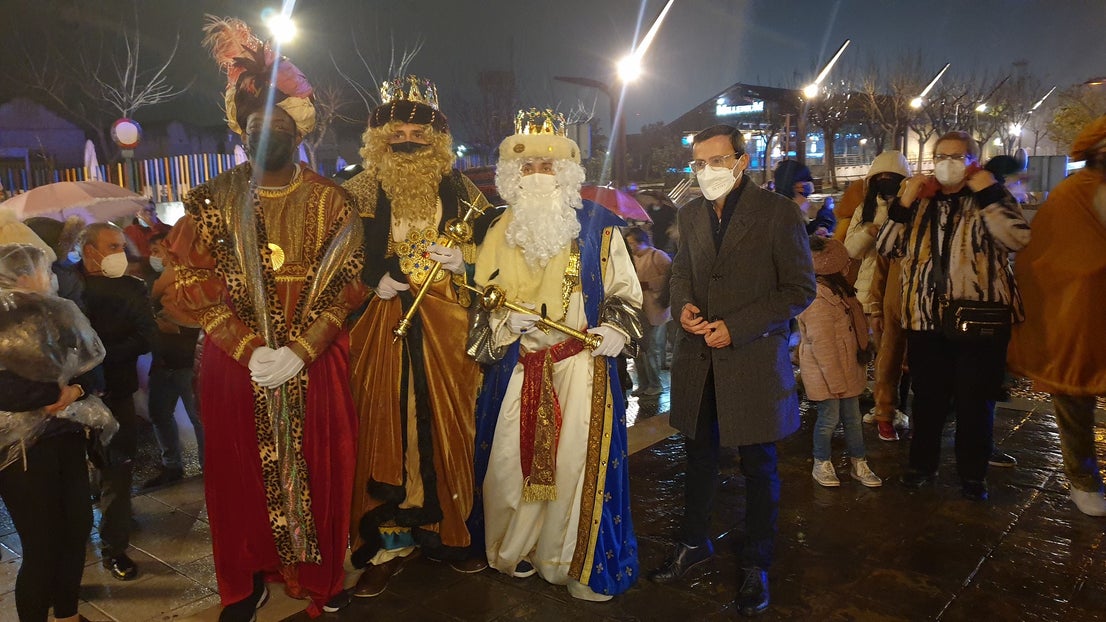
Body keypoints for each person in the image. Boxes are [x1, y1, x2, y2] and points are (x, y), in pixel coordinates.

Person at [166, 17, 365, 617]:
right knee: (237, 473)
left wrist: (299, 349)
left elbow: (345, 285)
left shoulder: (332, 199)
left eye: (277, 124)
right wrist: (250, 347)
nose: (265, 132)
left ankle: (318, 575)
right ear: (241, 128)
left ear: (297, 129)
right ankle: (247, 579)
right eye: (255, 125)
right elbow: (190, 279)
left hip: (315, 359)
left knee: (320, 467)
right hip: (236, 365)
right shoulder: (209, 199)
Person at [470, 109, 643, 601]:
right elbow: (481, 303)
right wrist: (505, 322)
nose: (539, 175)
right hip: (519, 368)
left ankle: (573, 561)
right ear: (512, 176)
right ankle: (514, 549)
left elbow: (625, 293)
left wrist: (615, 327)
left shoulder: (599, 226)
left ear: (566, 173)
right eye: (528, 168)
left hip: (580, 368)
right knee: (509, 468)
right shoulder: (496, 231)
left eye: (549, 166)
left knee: (575, 471)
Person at [650, 125, 815, 618]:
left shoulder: (777, 213)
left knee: (759, 467)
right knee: (697, 457)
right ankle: (692, 540)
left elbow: (798, 289)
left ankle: (756, 561)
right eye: (698, 163)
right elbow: (682, 272)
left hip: (751, 361)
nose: (707, 172)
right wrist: (682, 307)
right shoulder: (691, 213)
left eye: (717, 161)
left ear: (742, 161)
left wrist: (738, 326)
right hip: (700, 361)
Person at [342, 75, 493, 597]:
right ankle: (388, 545)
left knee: (450, 427)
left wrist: (465, 261)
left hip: (445, 322)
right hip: (382, 323)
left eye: (418, 132)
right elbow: (336, 257)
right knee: (386, 423)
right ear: (379, 138)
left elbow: (490, 249)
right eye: (398, 131)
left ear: (437, 140)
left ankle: (449, 534)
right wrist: (369, 279)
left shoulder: (460, 187)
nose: (408, 139)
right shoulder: (356, 187)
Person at [876, 131, 1030, 502]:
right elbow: (884, 246)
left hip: (980, 316)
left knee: (975, 401)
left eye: (957, 156)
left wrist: (989, 193)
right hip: (925, 317)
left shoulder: (990, 197)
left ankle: (972, 475)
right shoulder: (918, 200)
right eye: (941, 156)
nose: (948, 163)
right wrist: (905, 201)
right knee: (927, 398)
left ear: (973, 161)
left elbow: (1017, 239)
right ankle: (921, 466)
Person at [0, 240, 116, 622]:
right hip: (21, 451)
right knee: (41, 544)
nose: (50, 277)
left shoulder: (63, 311)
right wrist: (54, 392)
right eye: (42, 269)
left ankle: (67, 614)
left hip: (66, 436)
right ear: (18, 275)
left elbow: (95, 365)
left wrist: (76, 390)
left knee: (76, 528)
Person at [1008, 116, 1106, 516]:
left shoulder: (1070, 192)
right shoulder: (1075, 194)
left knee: (1075, 400)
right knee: (1074, 399)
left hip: (1078, 312)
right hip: (1076, 313)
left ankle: (1084, 481)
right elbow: (1044, 259)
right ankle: (1082, 480)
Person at [78, 221, 155, 581]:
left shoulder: (132, 287)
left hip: (117, 392)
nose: (119, 254)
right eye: (111, 246)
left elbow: (145, 337)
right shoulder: (68, 287)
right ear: (88, 250)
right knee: (77, 478)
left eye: (121, 246)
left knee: (118, 471)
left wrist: (102, 357)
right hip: (75, 398)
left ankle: (114, 548)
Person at [799, 237, 882, 488]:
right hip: (828, 375)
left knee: (853, 420)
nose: (849, 268)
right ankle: (821, 461)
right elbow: (822, 346)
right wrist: (836, 382)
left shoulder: (841, 293)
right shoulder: (817, 300)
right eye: (845, 264)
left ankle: (859, 461)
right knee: (828, 420)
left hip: (846, 369)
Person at [842, 150, 912, 441]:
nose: (886, 182)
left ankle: (895, 407)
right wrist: (871, 231)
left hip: (905, 290)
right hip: (870, 291)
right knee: (884, 353)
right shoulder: (865, 209)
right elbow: (849, 251)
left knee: (900, 354)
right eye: (880, 178)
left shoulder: (913, 206)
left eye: (892, 178)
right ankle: (885, 407)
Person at [141, 232, 203, 489]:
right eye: (153, 250)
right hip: (163, 361)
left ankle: (209, 467)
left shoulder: (195, 278)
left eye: (161, 249)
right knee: (159, 414)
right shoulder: (155, 280)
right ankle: (172, 466)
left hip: (187, 363)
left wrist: (176, 326)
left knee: (198, 417)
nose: (156, 255)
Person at [624, 226, 670, 397]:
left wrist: (648, 284)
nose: (631, 247)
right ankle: (643, 384)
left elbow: (670, 277)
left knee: (652, 350)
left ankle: (655, 384)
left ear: (642, 241)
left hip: (655, 310)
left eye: (633, 243)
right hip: (639, 311)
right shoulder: (632, 259)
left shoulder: (657, 255)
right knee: (639, 350)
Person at [774, 159, 835, 236]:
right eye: (804, 181)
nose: (809, 184)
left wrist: (824, 221)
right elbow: (801, 237)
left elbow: (806, 230)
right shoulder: (786, 217)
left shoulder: (785, 212)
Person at [634, 189, 679, 255]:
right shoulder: (651, 208)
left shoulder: (667, 207)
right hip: (657, 237)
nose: (642, 201)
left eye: (645, 198)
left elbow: (673, 220)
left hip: (668, 238)